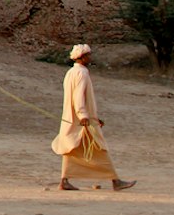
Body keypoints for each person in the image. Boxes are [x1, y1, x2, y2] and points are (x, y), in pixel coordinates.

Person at [52, 44, 133, 191]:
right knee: (99, 148)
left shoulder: (71, 72)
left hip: (76, 118)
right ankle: (115, 181)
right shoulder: (82, 73)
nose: (90, 58)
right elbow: (78, 97)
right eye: (88, 55)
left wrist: (94, 117)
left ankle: (64, 181)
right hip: (81, 120)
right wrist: (83, 115)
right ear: (81, 57)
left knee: (72, 149)